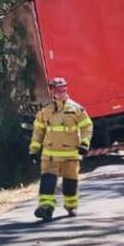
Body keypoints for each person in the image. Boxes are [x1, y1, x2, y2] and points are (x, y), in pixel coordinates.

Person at [29, 77, 93, 221]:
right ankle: (46, 208)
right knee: (47, 181)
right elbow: (38, 131)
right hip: (50, 156)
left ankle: (71, 206)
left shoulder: (76, 109)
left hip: (71, 156)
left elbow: (87, 126)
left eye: (63, 89)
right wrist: (34, 149)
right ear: (52, 91)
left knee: (70, 183)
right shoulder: (46, 112)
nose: (60, 92)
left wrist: (85, 143)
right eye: (57, 90)